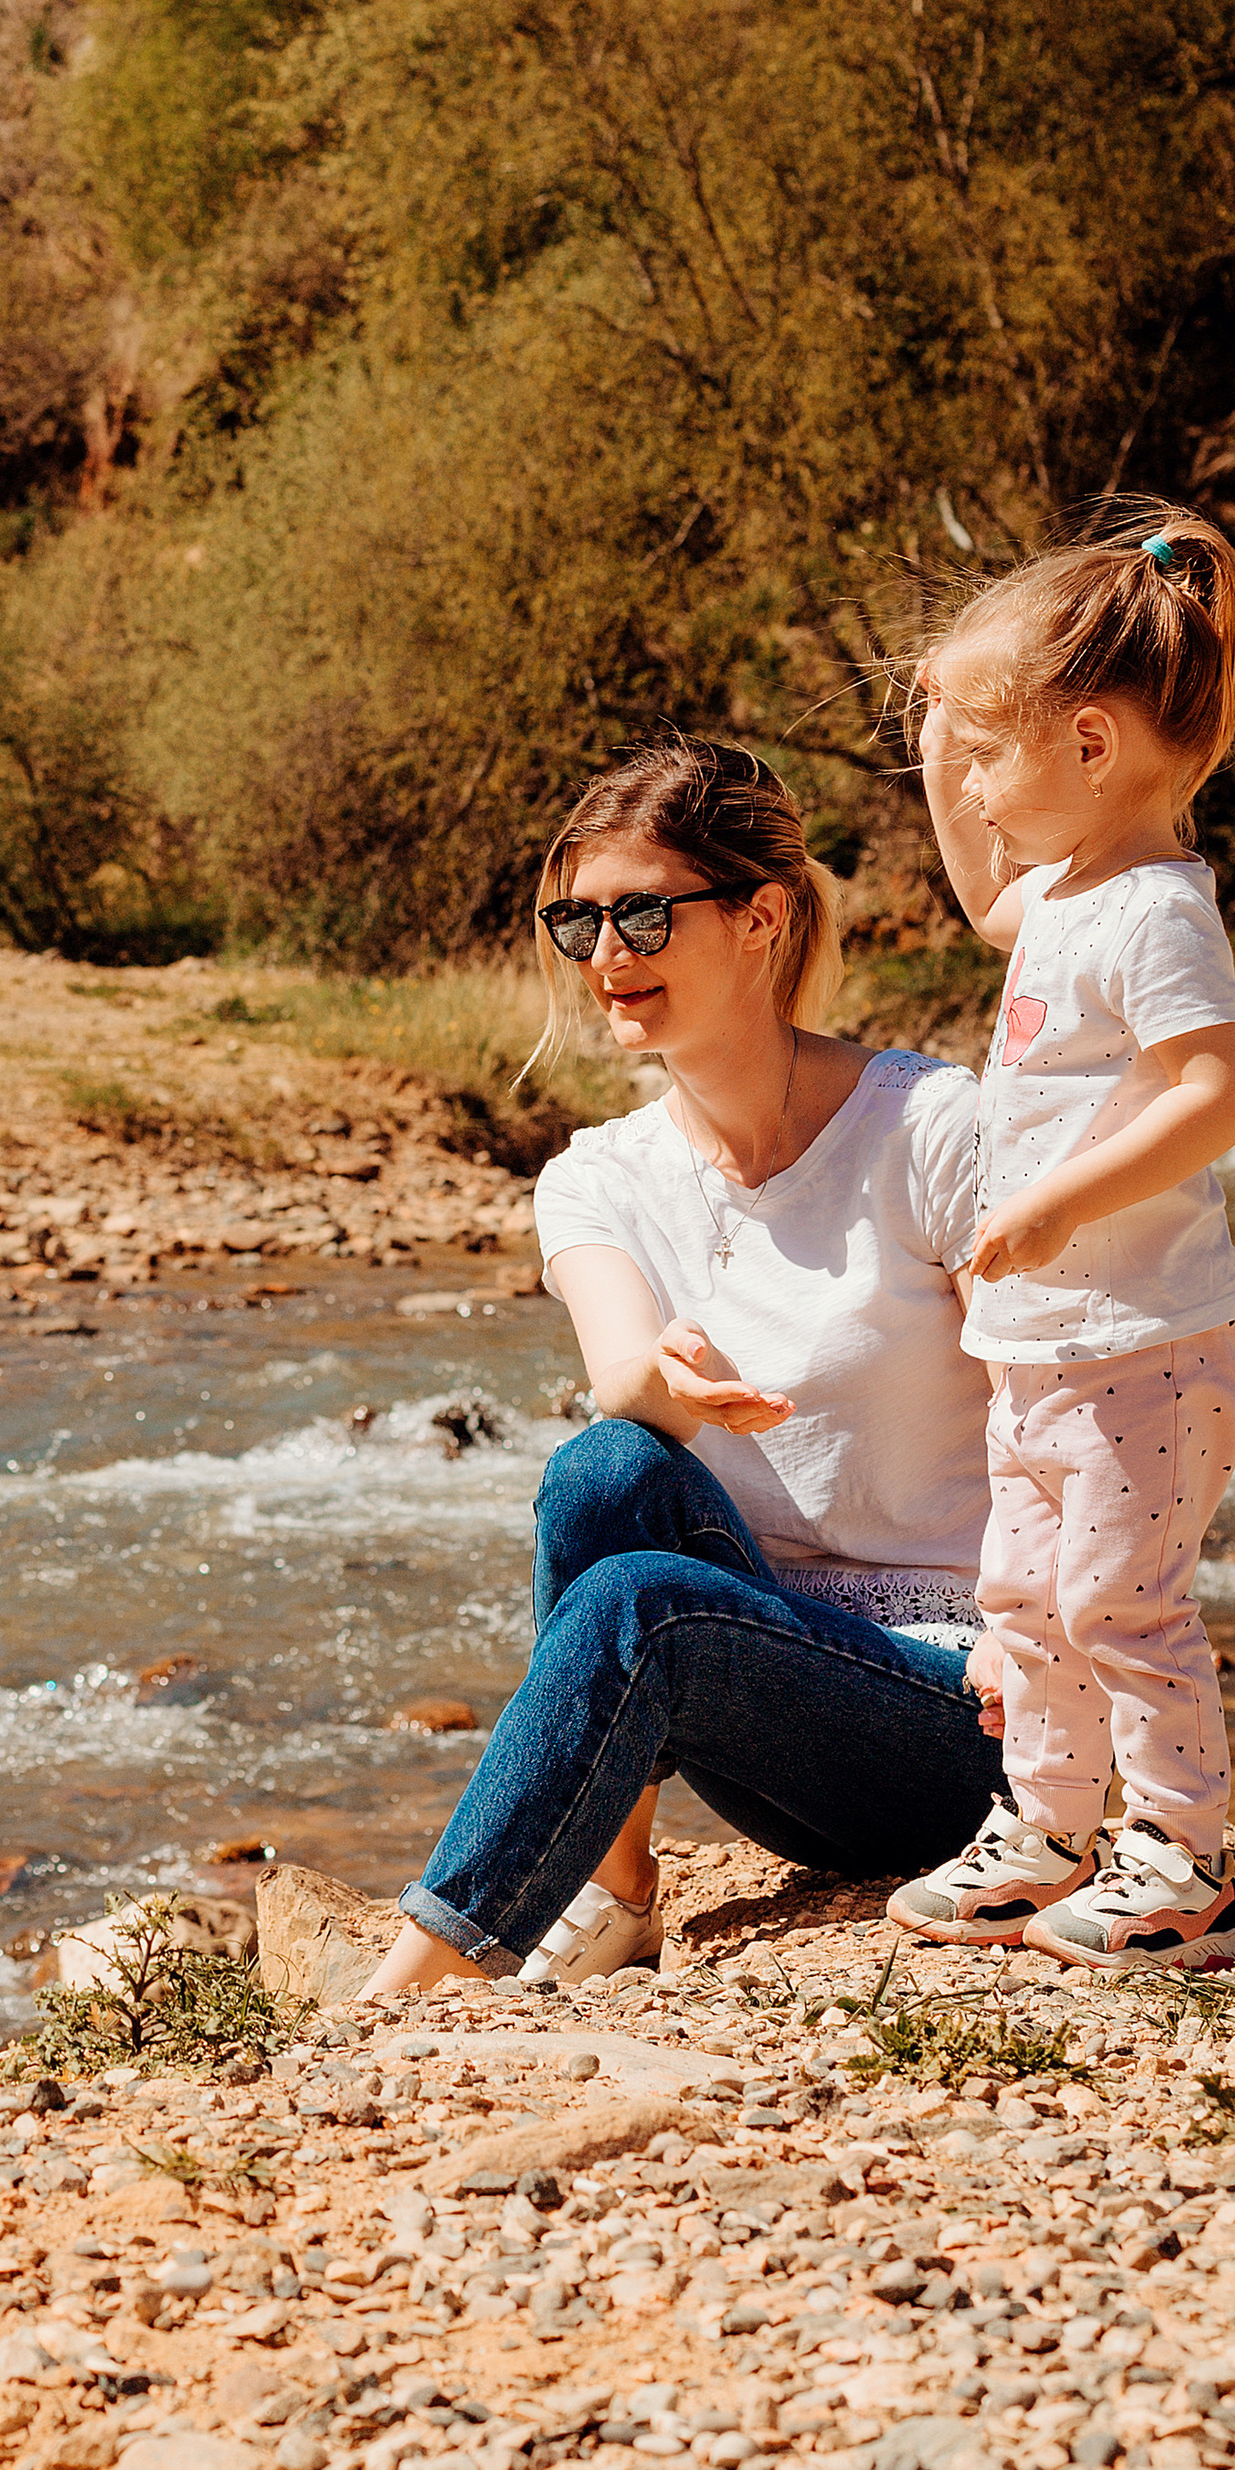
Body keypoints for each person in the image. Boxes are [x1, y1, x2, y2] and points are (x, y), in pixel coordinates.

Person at [358, 733, 1005, 2013]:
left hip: (970, 1714)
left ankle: (406, 1990)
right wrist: (661, 1386)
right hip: (772, 1698)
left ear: (760, 916)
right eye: (578, 921)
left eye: (643, 913)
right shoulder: (597, 1174)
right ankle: (617, 1891)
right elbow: (617, 1380)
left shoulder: (931, 1129)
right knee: (605, 1473)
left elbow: (1064, 1407)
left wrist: (1053, 1629)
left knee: (644, 1603)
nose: (607, 956)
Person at [888, 512, 1235, 1973]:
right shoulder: (1059, 896)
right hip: (1049, 1347)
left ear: (1093, 747)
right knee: (1026, 1598)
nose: (979, 790)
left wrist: (1061, 1200)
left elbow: (1218, 1089)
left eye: (995, 757)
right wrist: (943, 732)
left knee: (1120, 1597)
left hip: (1150, 1343)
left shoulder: (1157, 912)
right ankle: (1043, 1829)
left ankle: (1180, 1860)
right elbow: (986, 893)